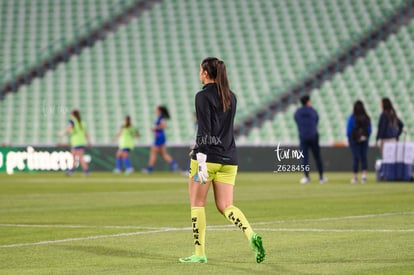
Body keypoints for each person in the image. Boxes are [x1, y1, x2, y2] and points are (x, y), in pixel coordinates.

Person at [179, 57, 265, 264]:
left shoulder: (202, 96)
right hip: (229, 158)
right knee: (226, 205)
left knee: (197, 204)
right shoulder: (231, 96)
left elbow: (205, 130)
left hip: (207, 157)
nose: (199, 73)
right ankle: (250, 234)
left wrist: (198, 157)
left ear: (206, 74)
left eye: (200, 70)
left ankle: (199, 254)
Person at [294, 94, 327, 184]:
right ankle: (321, 177)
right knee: (317, 157)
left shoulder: (298, 112)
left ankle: (306, 177)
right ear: (308, 101)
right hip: (313, 136)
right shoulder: (312, 111)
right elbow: (316, 120)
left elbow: (296, 121)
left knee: (304, 158)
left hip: (303, 136)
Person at [142, 106, 178, 173]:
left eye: (156, 109)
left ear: (159, 110)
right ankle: (174, 164)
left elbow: (163, 126)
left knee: (153, 152)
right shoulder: (159, 117)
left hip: (159, 137)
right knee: (163, 154)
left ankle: (149, 169)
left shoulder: (161, 117)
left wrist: (155, 128)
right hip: (160, 137)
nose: (155, 110)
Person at [58, 109, 90, 176]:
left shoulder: (72, 121)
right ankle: (73, 171)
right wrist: (89, 141)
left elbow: (70, 128)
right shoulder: (82, 122)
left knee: (76, 157)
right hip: (81, 141)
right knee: (77, 156)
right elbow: (86, 133)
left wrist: (62, 133)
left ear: (73, 115)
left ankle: (84, 171)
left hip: (76, 142)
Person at [346, 100, 372, 183]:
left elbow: (348, 131)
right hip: (364, 140)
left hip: (354, 140)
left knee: (356, 158)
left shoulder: (352, 118)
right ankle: (364, 176)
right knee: (364, 157)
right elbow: (370, 130)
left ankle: (355, 176)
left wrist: (351, 138)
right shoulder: (367, 117)